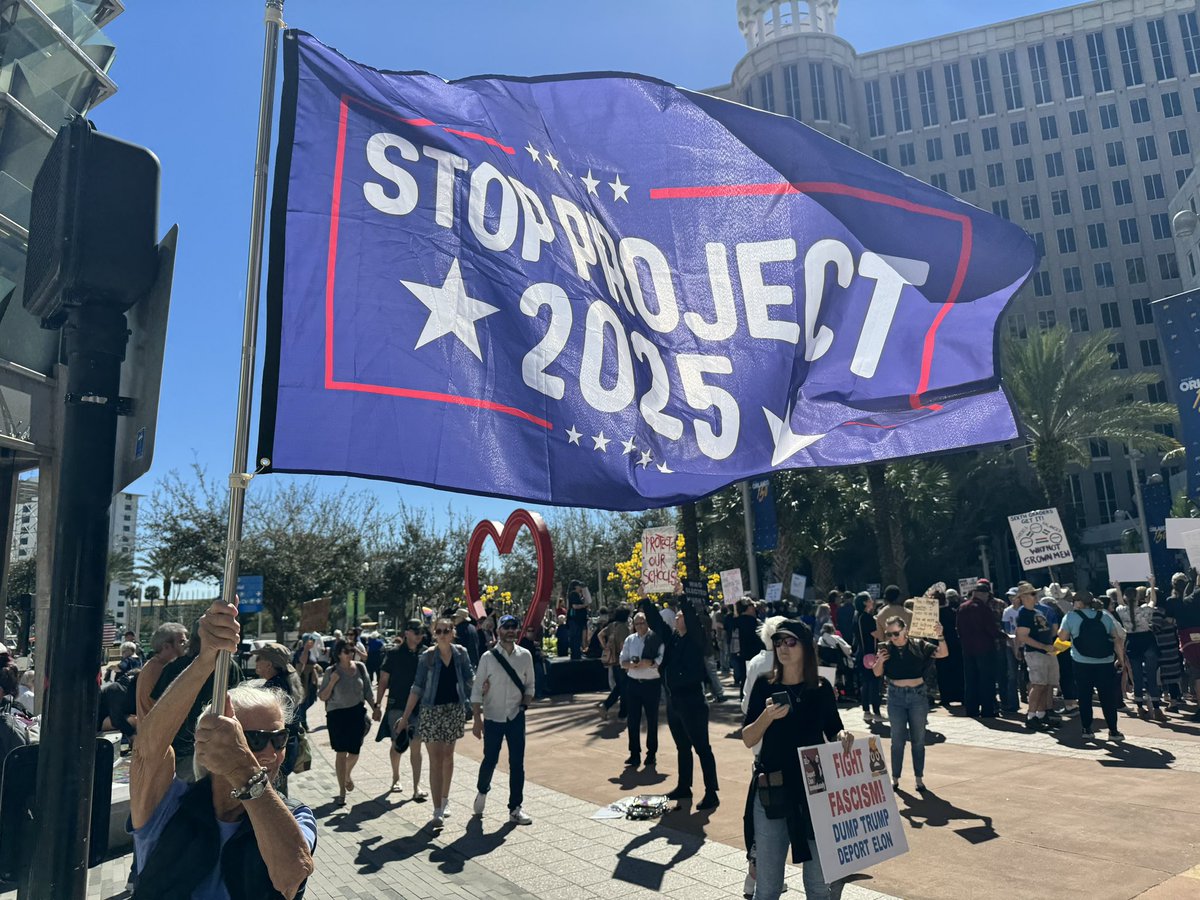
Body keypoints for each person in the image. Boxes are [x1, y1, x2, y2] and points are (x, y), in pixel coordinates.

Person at [129, 599, 315, 897]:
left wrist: (245, 772)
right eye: (252, 740)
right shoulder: (171, 805)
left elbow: (292, 874)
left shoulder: (295, 817)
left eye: (278, 738)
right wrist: (205, 660)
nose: (269, 753)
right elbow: (148, 752)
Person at [741, 619, 854, 900]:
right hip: (773, 791)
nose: (783, 648)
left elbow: (833, 728)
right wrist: (766, 718)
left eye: (790, 641)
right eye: (778, 642)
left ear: (805, 647)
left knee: (817, 885)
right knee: (767, 887)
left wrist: (843, 735)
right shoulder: (764, 686)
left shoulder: (821, 688)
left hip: (815, 791)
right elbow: (747, 738)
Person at [395, 617, 475, 829]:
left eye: (446, 631)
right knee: (435, 758)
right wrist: (405, 718)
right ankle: (437, 809)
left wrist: (480, 697)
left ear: (452, 632)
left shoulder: (461, 653)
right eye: (438, 631)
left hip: (454, 709)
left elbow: (470, 679)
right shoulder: (428, 657)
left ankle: (446, 800)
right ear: (434, 633)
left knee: (448, 757)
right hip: (431, 711)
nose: (442, 635)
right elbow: (417, 687)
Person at [150, 620, 243, 783]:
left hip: (191, 747)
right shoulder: (229, 666)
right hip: (209, 747)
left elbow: (157, 707)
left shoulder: (176, 667)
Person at [650, 593, 720, 811]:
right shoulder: (674, 639)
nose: (677, 618)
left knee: (702, 748)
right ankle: (684, 786)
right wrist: (645, 602)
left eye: (680, 616)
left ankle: (711, 793)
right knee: (682, 747)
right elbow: (658, 625)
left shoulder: (695, 638)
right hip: (674, 701)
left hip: (693, 701)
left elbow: (690, 616)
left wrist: (682, 597)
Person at [471, 614, 535, 824]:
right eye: (506, 627)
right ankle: (482, 791)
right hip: (493, 716)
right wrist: (477, 720)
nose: (510, 630)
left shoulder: (525, 655)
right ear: (498, 630)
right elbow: (477, 690)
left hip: (516, 716)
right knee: (490, 759)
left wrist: (524, 705)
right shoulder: (487, 658)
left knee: (517, 763)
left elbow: (530, 685)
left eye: (513, 627)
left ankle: (515, 807)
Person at [872, 616, 947, 790]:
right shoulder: (885, 647)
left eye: (896, 633)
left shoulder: (919, 645)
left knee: (918, 739)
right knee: (897, 739)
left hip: (917, 695)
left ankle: (918, 778)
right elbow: (877, 673)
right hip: (895, 696)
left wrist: (940, 636)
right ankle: (895, 777)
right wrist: (880, 661)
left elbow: (943, 653)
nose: (893, 637)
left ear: (905, 629)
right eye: (889, 634)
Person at [1058, 590, 1127, 742]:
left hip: (1081, 662)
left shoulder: (1070, 616)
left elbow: (1062, 637)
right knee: (1107, 696)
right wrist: (1121, 660)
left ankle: (1087, 728)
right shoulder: (1104, 616)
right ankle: (1113, 730)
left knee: (1085, 696)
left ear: (1079, 602)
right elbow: (1116, 639)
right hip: (1105, 661)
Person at [318, 638, 378, 805]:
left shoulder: (360, 667)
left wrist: (375, 708)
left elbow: (367, 690)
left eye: (352, 650)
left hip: (356, 713)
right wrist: (332, 682)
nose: (350, 653)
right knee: (341, 752)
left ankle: (346, 775)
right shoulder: (331, 671)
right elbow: (323, 696)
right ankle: (342, 792)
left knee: (355, 751)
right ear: (338, 654)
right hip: (337, 716)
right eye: (346, 651)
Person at [374, 620, 428, 797]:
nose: (420, 635)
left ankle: (416, 787)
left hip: (420, 706)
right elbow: (383, 681)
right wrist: (377, 704)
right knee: (398, 743)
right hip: (397, 704)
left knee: (416, 745)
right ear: (407, 632)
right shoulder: (394, 653)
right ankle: (396, 777)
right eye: (416, 631)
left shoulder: (425, 653)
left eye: (421, 632)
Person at [255, 643, 305, 795]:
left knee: (273, 795)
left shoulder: (272, 689)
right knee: (280, 790)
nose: (255, 661)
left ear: (269, 664)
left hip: (276, 749)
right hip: (288, 745)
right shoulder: (288, 682)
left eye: (258, 658)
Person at [619, 611, 664, 768]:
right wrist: (630, 665)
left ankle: (651, 754)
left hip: (651, 683)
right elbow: (622, 660)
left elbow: (660, 658)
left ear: (647, 623)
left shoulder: (655, 638)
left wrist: (649, 663)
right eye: (637, 623)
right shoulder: (630, 640)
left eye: (642, 622)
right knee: (633, 720)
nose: (639, 626)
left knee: (652, 720)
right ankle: (634, 753)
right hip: (633, 683)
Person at [1115, 586, 1166, 722]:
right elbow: (1153, 601)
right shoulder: (1145, 610)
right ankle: (1156, 708)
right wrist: (1151, 585)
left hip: (1132, 642)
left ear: (1126, 598)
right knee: (1151, 676)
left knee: (1137, 677)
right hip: (1147, 641)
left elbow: (1119, 603)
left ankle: (1140, 708)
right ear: (1138, 598)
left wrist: (1117, 588)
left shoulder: (1122, 611)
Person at [1015, 583, 1060, 731]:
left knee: (1046, 684)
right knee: (1038, 684)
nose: (1036, 597)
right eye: (1032, 594)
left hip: (1046, 651)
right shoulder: (1024, 614)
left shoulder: (1035, 611)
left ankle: (1040, 714)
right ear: (1023, 597)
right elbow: (1022, 636)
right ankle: (1031, 716)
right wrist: (1043, 646)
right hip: (1036, 653)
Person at [957, 581, 1001, 718]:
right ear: (983, 594)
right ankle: (988, 710)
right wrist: (1002, 636)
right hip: (985, 647)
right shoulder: (983, 608)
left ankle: (972, 709)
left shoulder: (962, 607)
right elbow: (991, 629)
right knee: (986, 679)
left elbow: (958, 628)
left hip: (967, 648)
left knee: (970, 679)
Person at [136, 623, 188, 721]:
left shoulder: (153, 665)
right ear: (166, 646)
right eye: (181, 642)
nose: (185, 645)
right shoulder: (161, 669)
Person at [851, 593, 882, 722]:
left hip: (861, 654)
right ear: (865, 603)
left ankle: (866, 711)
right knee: (875, 683)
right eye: (869, 599)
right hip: (871, 654)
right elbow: (876, 634)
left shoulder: (856, 617)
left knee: (865, 683)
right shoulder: (868, 618)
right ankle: (877, 712)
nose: (872, 601)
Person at [599, 608, 631, 720]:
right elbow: (623, 644)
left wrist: (606, 647)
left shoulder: (611, 625)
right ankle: (622, 713)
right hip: (621, 660)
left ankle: (607, 706)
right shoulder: (623, 628)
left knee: (620, 686)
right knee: (624, 688)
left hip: (613, 660)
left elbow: (600, 635)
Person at [292, 634, 323, 731]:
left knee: (311, 700)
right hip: (303, 680)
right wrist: (305, 649)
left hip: (311, 681)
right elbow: (302, 663)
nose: (312, 643)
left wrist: (316, 666)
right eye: (310, 641)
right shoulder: (301, 652)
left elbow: (312, 662)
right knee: (303, 702)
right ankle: (303, 724)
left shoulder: (310, 652)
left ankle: (300, 718)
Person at [567, 581, 591, 660]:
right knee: (576, 637)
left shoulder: (579, 595)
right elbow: (575, 606)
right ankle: (576, 654)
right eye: (579, 586)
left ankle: (577, 653)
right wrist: (585, 605)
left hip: (579, 620)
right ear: (575, 587)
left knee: (578, 637)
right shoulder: (573, 594)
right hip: (575, 620)